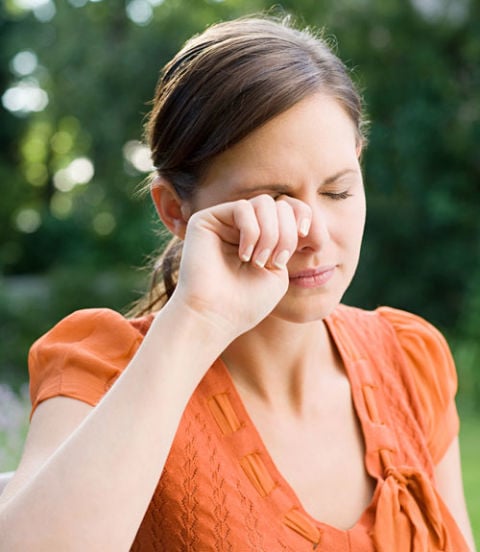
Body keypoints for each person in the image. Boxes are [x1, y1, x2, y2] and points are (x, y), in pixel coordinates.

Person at [0, 14, 475, 552]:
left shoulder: (411, 362)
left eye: (339, 191)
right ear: (176, 211)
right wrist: (196, 319)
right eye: (273, 203)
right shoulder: (101, 370)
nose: (315, 235)